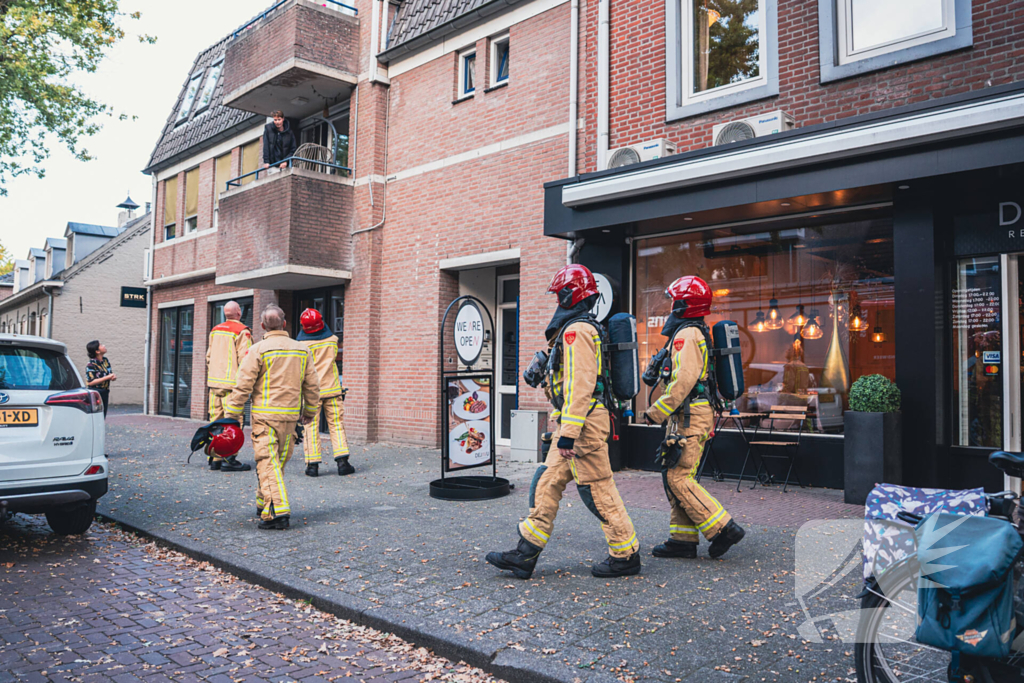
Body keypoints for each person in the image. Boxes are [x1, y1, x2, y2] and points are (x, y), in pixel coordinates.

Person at [487, 264, 641, 579]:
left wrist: (569, 434)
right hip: (572, 426)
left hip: (582, 428)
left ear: (570, 295)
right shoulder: (577, 329)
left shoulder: (577, 331)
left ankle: (626, 555)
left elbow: (580, 385)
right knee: (545, 483)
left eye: (560, 295)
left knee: (598, 490)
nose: (558, 301)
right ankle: (525, 553)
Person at [643, 276, 745, 560]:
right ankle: (683, 540)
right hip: (686, 415)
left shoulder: (687, 335)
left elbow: (683, 381)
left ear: (684, 305)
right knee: (673, 474)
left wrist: (655, 413)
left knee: (679, 477)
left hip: (688, 414)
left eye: (674, 300)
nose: (671, 305)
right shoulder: (692, 332)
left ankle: (724, 527)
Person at [224, 304, 320, 530]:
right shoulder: (302, 349)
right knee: (274, 465)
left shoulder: (257, 350)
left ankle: (277, 513)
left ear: (262, 326)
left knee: (267, 464)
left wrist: (230, 416)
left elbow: (242, 386)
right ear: (285, 324)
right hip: (290, 420)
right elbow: (313, 385)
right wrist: (309, 412)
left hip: (265, 419)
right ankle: (263, 504)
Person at [297, 308, 352, 477]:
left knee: (310, 427)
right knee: (336, 425)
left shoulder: (301, 346)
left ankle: (312, 465)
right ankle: (343, 462)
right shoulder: (333, 340)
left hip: (311, 393)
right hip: (333, 389)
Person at [205, 300, 252, 472]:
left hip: (214, 385)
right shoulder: (242, 332)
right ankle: (229, 459)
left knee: (215, 421)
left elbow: (208, 356)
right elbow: (246, 361)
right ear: (239, 312)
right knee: (233, 423)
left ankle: (215, 458)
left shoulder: (215, 330)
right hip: (233, 387)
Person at [85, 340, 115, 417]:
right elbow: (90, 382)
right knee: (97, 415)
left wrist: (112, 377)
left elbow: (109, 373)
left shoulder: (105, 360)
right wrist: (107, 377)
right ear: (97, 351)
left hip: (105, 391)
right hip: (96, 392)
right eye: (101, 345)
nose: (104, 346)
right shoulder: (91, 364)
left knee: (103, 414)